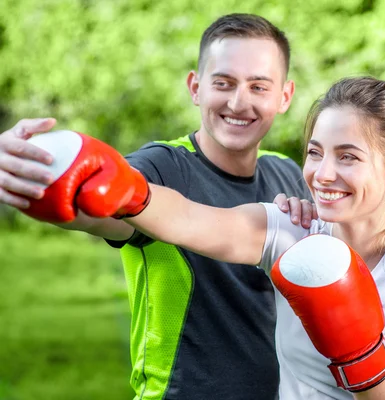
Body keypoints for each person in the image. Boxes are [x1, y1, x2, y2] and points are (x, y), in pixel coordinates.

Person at [28, 76, 385, 399]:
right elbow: (187, 219)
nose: (323, 173)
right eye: (315, 152)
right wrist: (125, 187)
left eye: (348, 156)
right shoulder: (290, 230)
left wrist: (359, 357)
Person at [0, 14, 317, 400]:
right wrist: (32, 175)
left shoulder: (287, 175)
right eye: (223, 83)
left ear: (284, 96)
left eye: (258, 86)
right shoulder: (160, 167)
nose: (239, 101)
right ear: (195, 87)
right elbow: (104, 210)